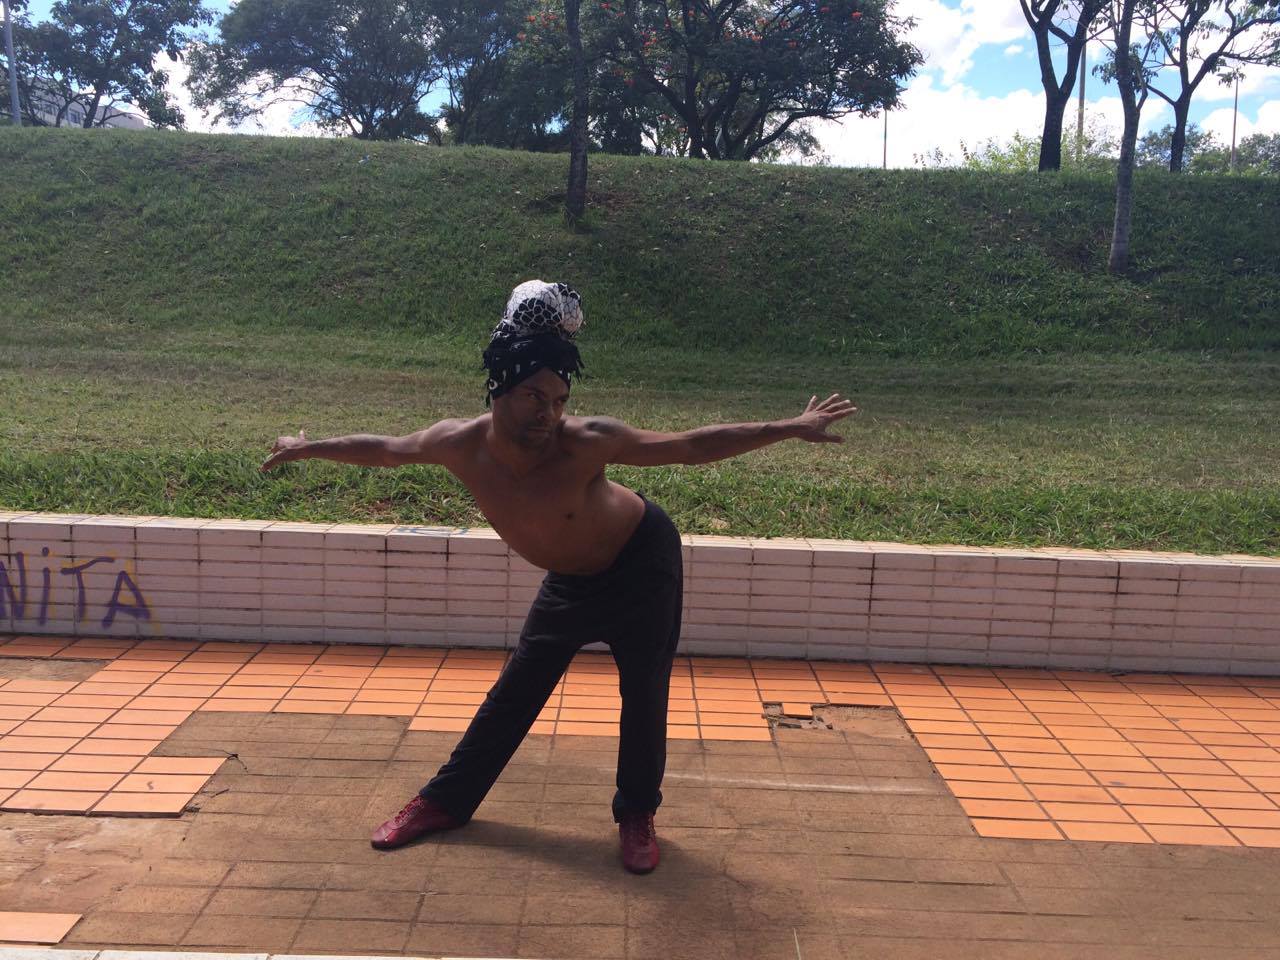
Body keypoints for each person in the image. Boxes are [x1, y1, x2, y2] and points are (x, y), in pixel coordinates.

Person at [261, 280, 856, 873]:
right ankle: (444, 802)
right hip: (570, 582)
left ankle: (636, 813)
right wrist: (309, 448)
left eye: (560, 399)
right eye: (534, 396)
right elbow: (387, 449)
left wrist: (787, 426)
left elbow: (688, 446)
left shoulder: (585, 442)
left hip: (642, 565)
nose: (548, 412)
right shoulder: (458, 444)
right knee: (515, 692)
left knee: (643, 693)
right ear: (500, 389)